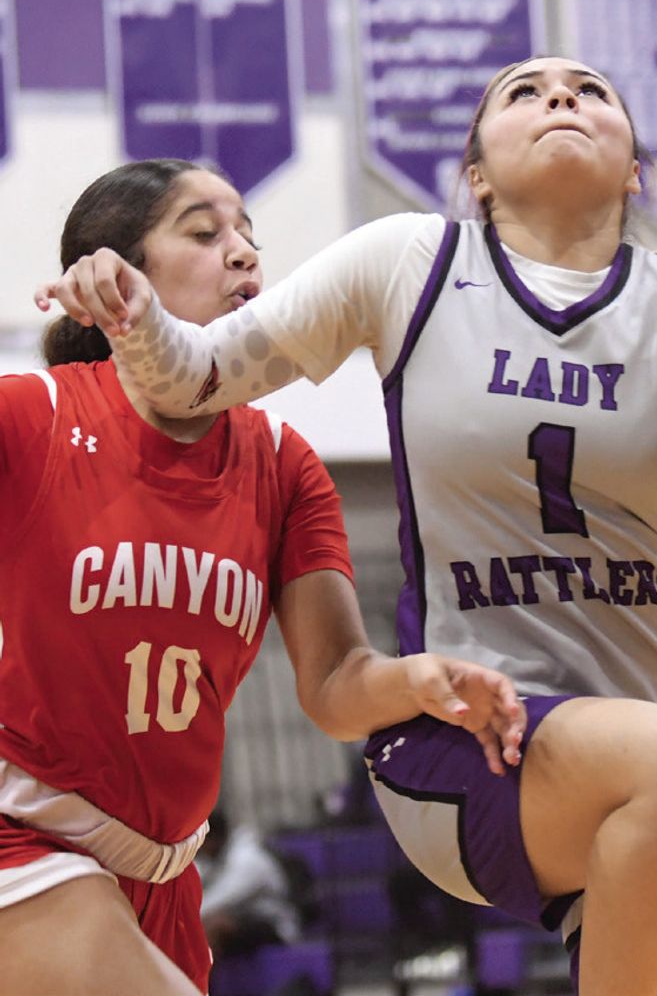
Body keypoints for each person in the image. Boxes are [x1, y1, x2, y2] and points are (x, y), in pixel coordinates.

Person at [39, 12, 657, 996]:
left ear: (638, 168)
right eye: (524, 90)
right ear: (475, 173)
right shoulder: (408, 263)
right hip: (467, 736)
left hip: (655, 765)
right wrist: (131, 310)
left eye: (590, 89)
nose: (561, 95)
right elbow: (195, 374)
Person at [1, 160, 525, 996]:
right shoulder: (38, 413)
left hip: (165, 874)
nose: (243, 253)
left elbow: (332, 686)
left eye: (249, 234)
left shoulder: (284, 467)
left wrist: (419, 678)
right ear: (120, 266)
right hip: (24, 832)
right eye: (206, 234)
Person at [196, 809, 301, 960]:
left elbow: (220, 900)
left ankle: (195, 981)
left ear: (210, 839)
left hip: (274, 926)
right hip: (243, 920)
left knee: (215, 925)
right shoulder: (214, 858)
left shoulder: (249, 859)